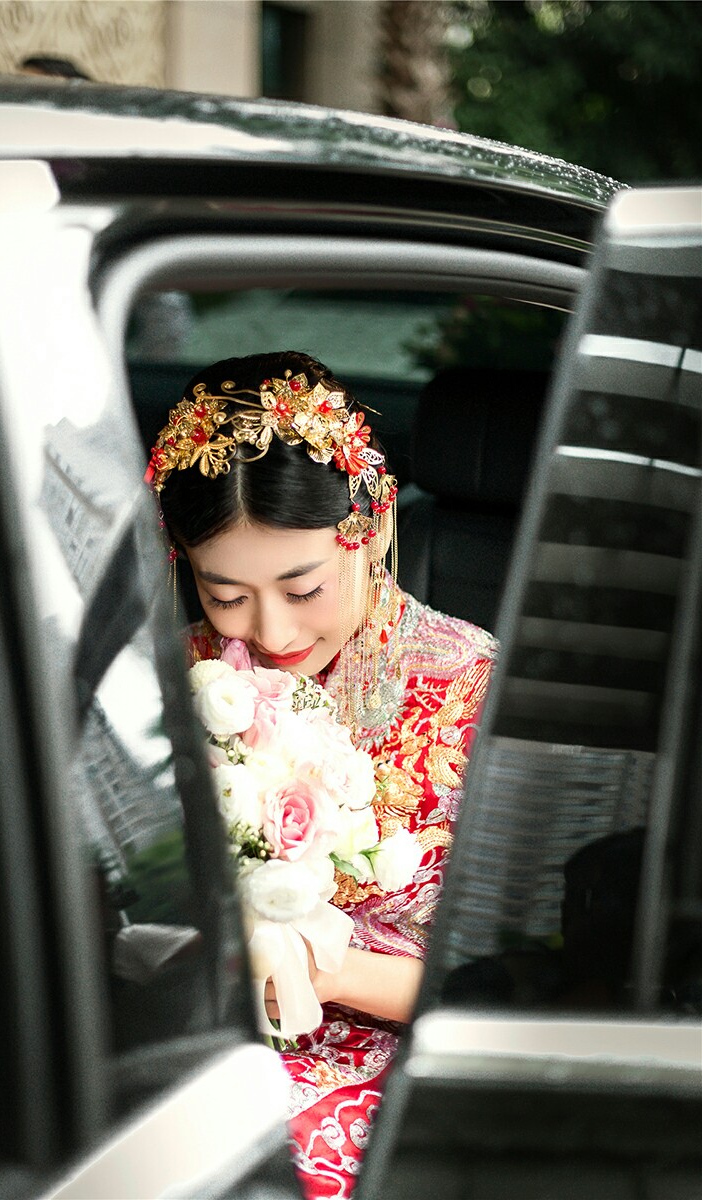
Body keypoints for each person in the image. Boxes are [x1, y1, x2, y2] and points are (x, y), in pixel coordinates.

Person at [147, 350, 496, 1199]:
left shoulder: (481, 692)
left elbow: (517, 992)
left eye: (302, 590)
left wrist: (325, 970)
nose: (271, 633)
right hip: (189, 1041)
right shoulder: (168, 682)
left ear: (371, 529)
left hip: (401, 1062)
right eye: (226, 594)